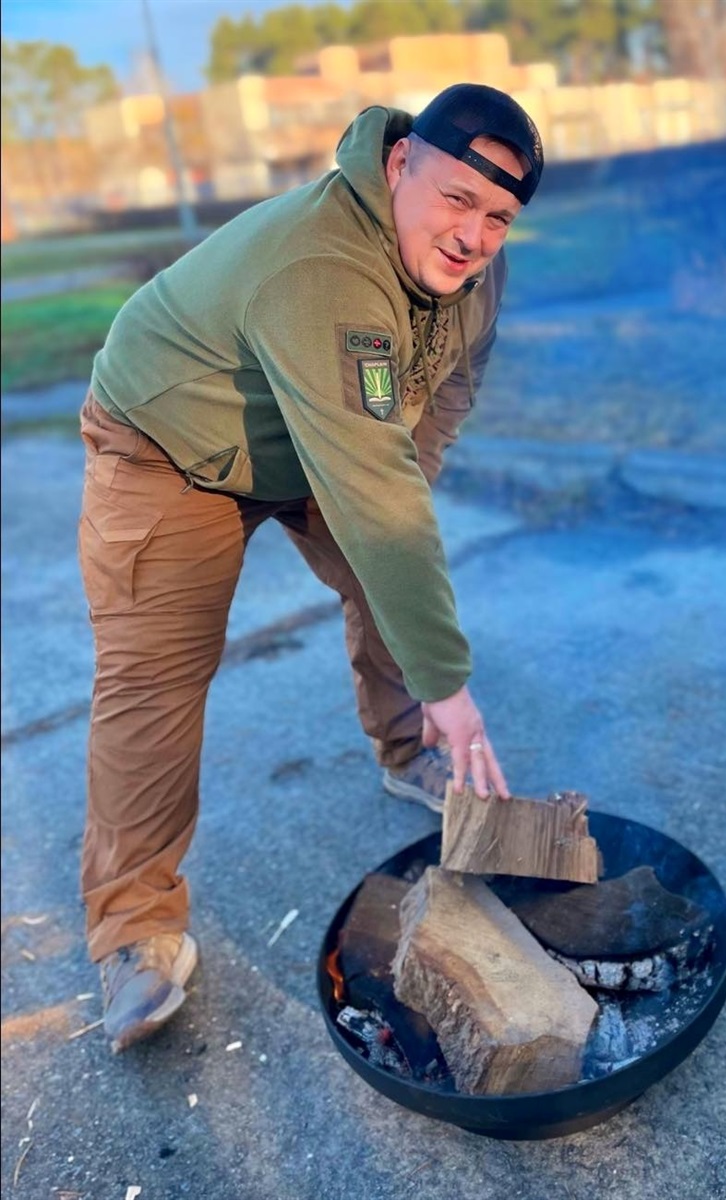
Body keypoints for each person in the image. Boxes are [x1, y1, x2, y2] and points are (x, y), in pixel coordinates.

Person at [76, 83, 543, 1052]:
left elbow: (438, 406)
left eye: (498, 216)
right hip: (172, 445)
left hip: (317, 431)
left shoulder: (475, 280)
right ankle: (134, 931)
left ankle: (405, 747)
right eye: (458, 198)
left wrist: (396, 530)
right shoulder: (325, 263)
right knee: (156, 679)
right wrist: (449, 681)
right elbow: (372, 479)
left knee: (391, 567)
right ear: (402, 162)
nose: (474, 235)